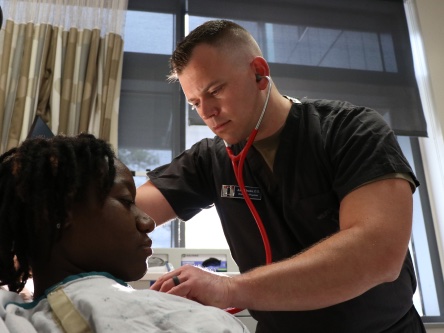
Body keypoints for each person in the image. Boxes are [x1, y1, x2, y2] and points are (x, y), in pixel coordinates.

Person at [135, 19, 426, 333]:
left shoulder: (352, 131)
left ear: (259, 73)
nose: (207, 111)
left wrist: (230, 289)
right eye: (195, 103)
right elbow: (127, 213)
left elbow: (378, 253)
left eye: (215, 91)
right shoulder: (210, 160)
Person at [0, 133, 249, 333]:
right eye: (127, 201)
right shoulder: (201, 323)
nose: (148, 222)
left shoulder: (15, 313)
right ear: (58, 213)